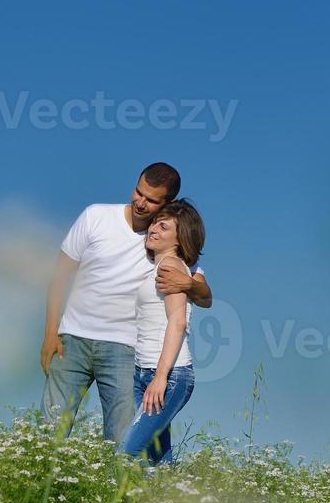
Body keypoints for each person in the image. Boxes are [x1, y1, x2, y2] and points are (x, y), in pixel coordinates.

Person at [40, 163, 212, 444]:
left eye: (152, 200)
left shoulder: (164, 241)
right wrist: (50, 334)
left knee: (121, 440)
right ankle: (38, 485)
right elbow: (59, 275)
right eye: (138, 192)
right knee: (50, 429)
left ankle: (118, 488)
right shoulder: (95, 216)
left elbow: (205, 296)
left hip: (124, 350)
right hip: (72, 339)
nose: (140, 203)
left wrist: (188, 284)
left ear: (167, 203)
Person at [120, 200, 205, 466]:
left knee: (128, 453)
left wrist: (160, 377)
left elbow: (177, 322)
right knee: (158, 461)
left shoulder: (171, 267)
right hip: (144, 373)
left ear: (180, 239)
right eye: (155, 222)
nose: (154, 228)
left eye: (163, 226)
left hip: (168, 376)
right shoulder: (156, 268)